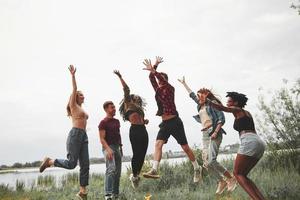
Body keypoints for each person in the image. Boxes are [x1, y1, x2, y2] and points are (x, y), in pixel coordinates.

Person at [142, 56, 202, 183]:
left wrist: (154, 70)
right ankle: (154, 169)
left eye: (161, 81)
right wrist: (155, 66)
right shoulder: (157, 89)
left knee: (185, 147)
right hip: (165, 123)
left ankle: (197, 168)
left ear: (165, 81)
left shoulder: (170, 88)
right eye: (159, 82)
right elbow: (152, 78)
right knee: (158, 144)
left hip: (175, 122)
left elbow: (158, 77)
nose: (159, 83)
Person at [178, 76, 237, 194]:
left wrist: (215, 132)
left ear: (206, 95)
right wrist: (184, 84)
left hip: (215, 132)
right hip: (205, 135)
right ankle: (221, 181)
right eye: (198, 96)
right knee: (206, 164)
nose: (198, 97)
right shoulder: (200, 104)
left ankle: (231, 178)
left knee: (211, 161)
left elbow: (221, 119)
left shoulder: (213, 104)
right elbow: (192, 96)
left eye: (201, 95)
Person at [39, 65, 89, 200]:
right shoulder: (73, 106)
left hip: (83, 136)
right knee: (72, 164)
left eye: (83, 94)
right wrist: (73, 76)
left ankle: (83, 192)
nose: (82, 95)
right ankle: (50, 161)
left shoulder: (82, 109)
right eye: (80, 94)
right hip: (75, 135)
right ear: (75, 97)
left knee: (85, 164)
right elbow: (74, 88)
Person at [205, 91, 266, 200]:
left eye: (229, 101)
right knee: (243, 175)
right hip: (258, 142)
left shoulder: (237, 110)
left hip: (249, 141)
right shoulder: (246, 112)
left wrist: (208, 101)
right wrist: (212, 97)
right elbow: (222, 106)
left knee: (237, 174)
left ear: (236, 103)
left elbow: (222, 108)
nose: (227, 103)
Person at [113, 70, 149, 189]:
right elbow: (126, 89)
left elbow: (141, 120)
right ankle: (133, 175)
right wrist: (120, 76)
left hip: (143, 130)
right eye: (136, 97)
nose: (138, 98)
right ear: (131, 98)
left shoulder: (139, 108)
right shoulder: (128, 103)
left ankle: (136, 176)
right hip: (134, 131)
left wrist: (145, 121)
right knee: (136, 153)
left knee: (142, 154)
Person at [99, 101, 122, 200]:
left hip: (117, 147)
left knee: (118, 172)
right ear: (106, 109)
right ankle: (108, 195)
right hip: (107, 147)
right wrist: (108, 149)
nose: (114, 109)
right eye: (112, 107)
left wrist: (121, 148)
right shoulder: (103, 122)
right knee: (111, 169)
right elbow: (102, 139)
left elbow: (118, 134)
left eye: (114, 107)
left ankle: (115, 194)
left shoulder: (117, 121)